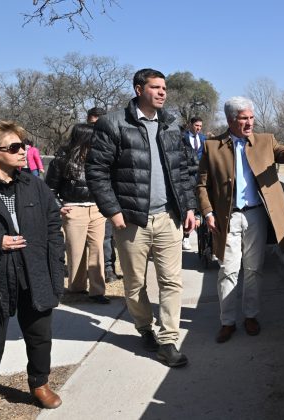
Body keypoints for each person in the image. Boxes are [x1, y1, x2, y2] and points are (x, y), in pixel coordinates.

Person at [86, 68, 197, 368]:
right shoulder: (113, 123)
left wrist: (189, 207)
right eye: (155, 87)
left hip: (168, 218)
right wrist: (113, 211)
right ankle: (144, 328)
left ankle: (169, 340)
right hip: (132, 221)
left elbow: (184, 171)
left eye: (164, 88)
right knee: (135, 284)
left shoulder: (172, 125)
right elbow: (96, 171)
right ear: (139, 90)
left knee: (172, 282)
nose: (162, 92)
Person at [0, 121, 65, 418]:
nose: (24, 151)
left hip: (34, 271)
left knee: (39, 336)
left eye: (23, 145)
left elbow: (52, 225)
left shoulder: (33, 183)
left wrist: (55, 266)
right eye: (14, 147)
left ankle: (39, 383)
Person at [196, 96, 284, 343]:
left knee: (253, 269)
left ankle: (250, 316)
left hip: (256, 215)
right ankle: (227, 322)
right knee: (228, 270)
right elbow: (202, 185)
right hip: (227, 218)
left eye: (251, 118)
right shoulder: (212, 146)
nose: (249, 123)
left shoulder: (265, 141)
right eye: (243, 118)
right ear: (230, 120)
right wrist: (207, 212)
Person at [45, 124, 110, 304]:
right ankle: (77, 288)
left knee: (98, 249)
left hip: (97, 210)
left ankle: (98, 291)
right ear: (84, 138)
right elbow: (49, 188)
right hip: (74, 210)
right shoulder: (62, 160)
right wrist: (59, 205)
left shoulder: (98, 158)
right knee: (76, 251)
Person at [86, 107, 120, 282]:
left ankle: (108, 268)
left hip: (105, 198)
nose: (95, 130)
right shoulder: (80, 143)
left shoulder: (112, 144)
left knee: (107, 237)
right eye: (92, 125)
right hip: (84, 200)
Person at [181, 117, 205, 251]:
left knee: (199, 210)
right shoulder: (182, 139)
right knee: (188, 208)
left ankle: (202, 238)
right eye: (196, 125)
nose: (198, 128)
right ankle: (185, 238)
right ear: (190, 125)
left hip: (200, 180)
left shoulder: (203, 139)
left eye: (200, 126)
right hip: (187, 178)